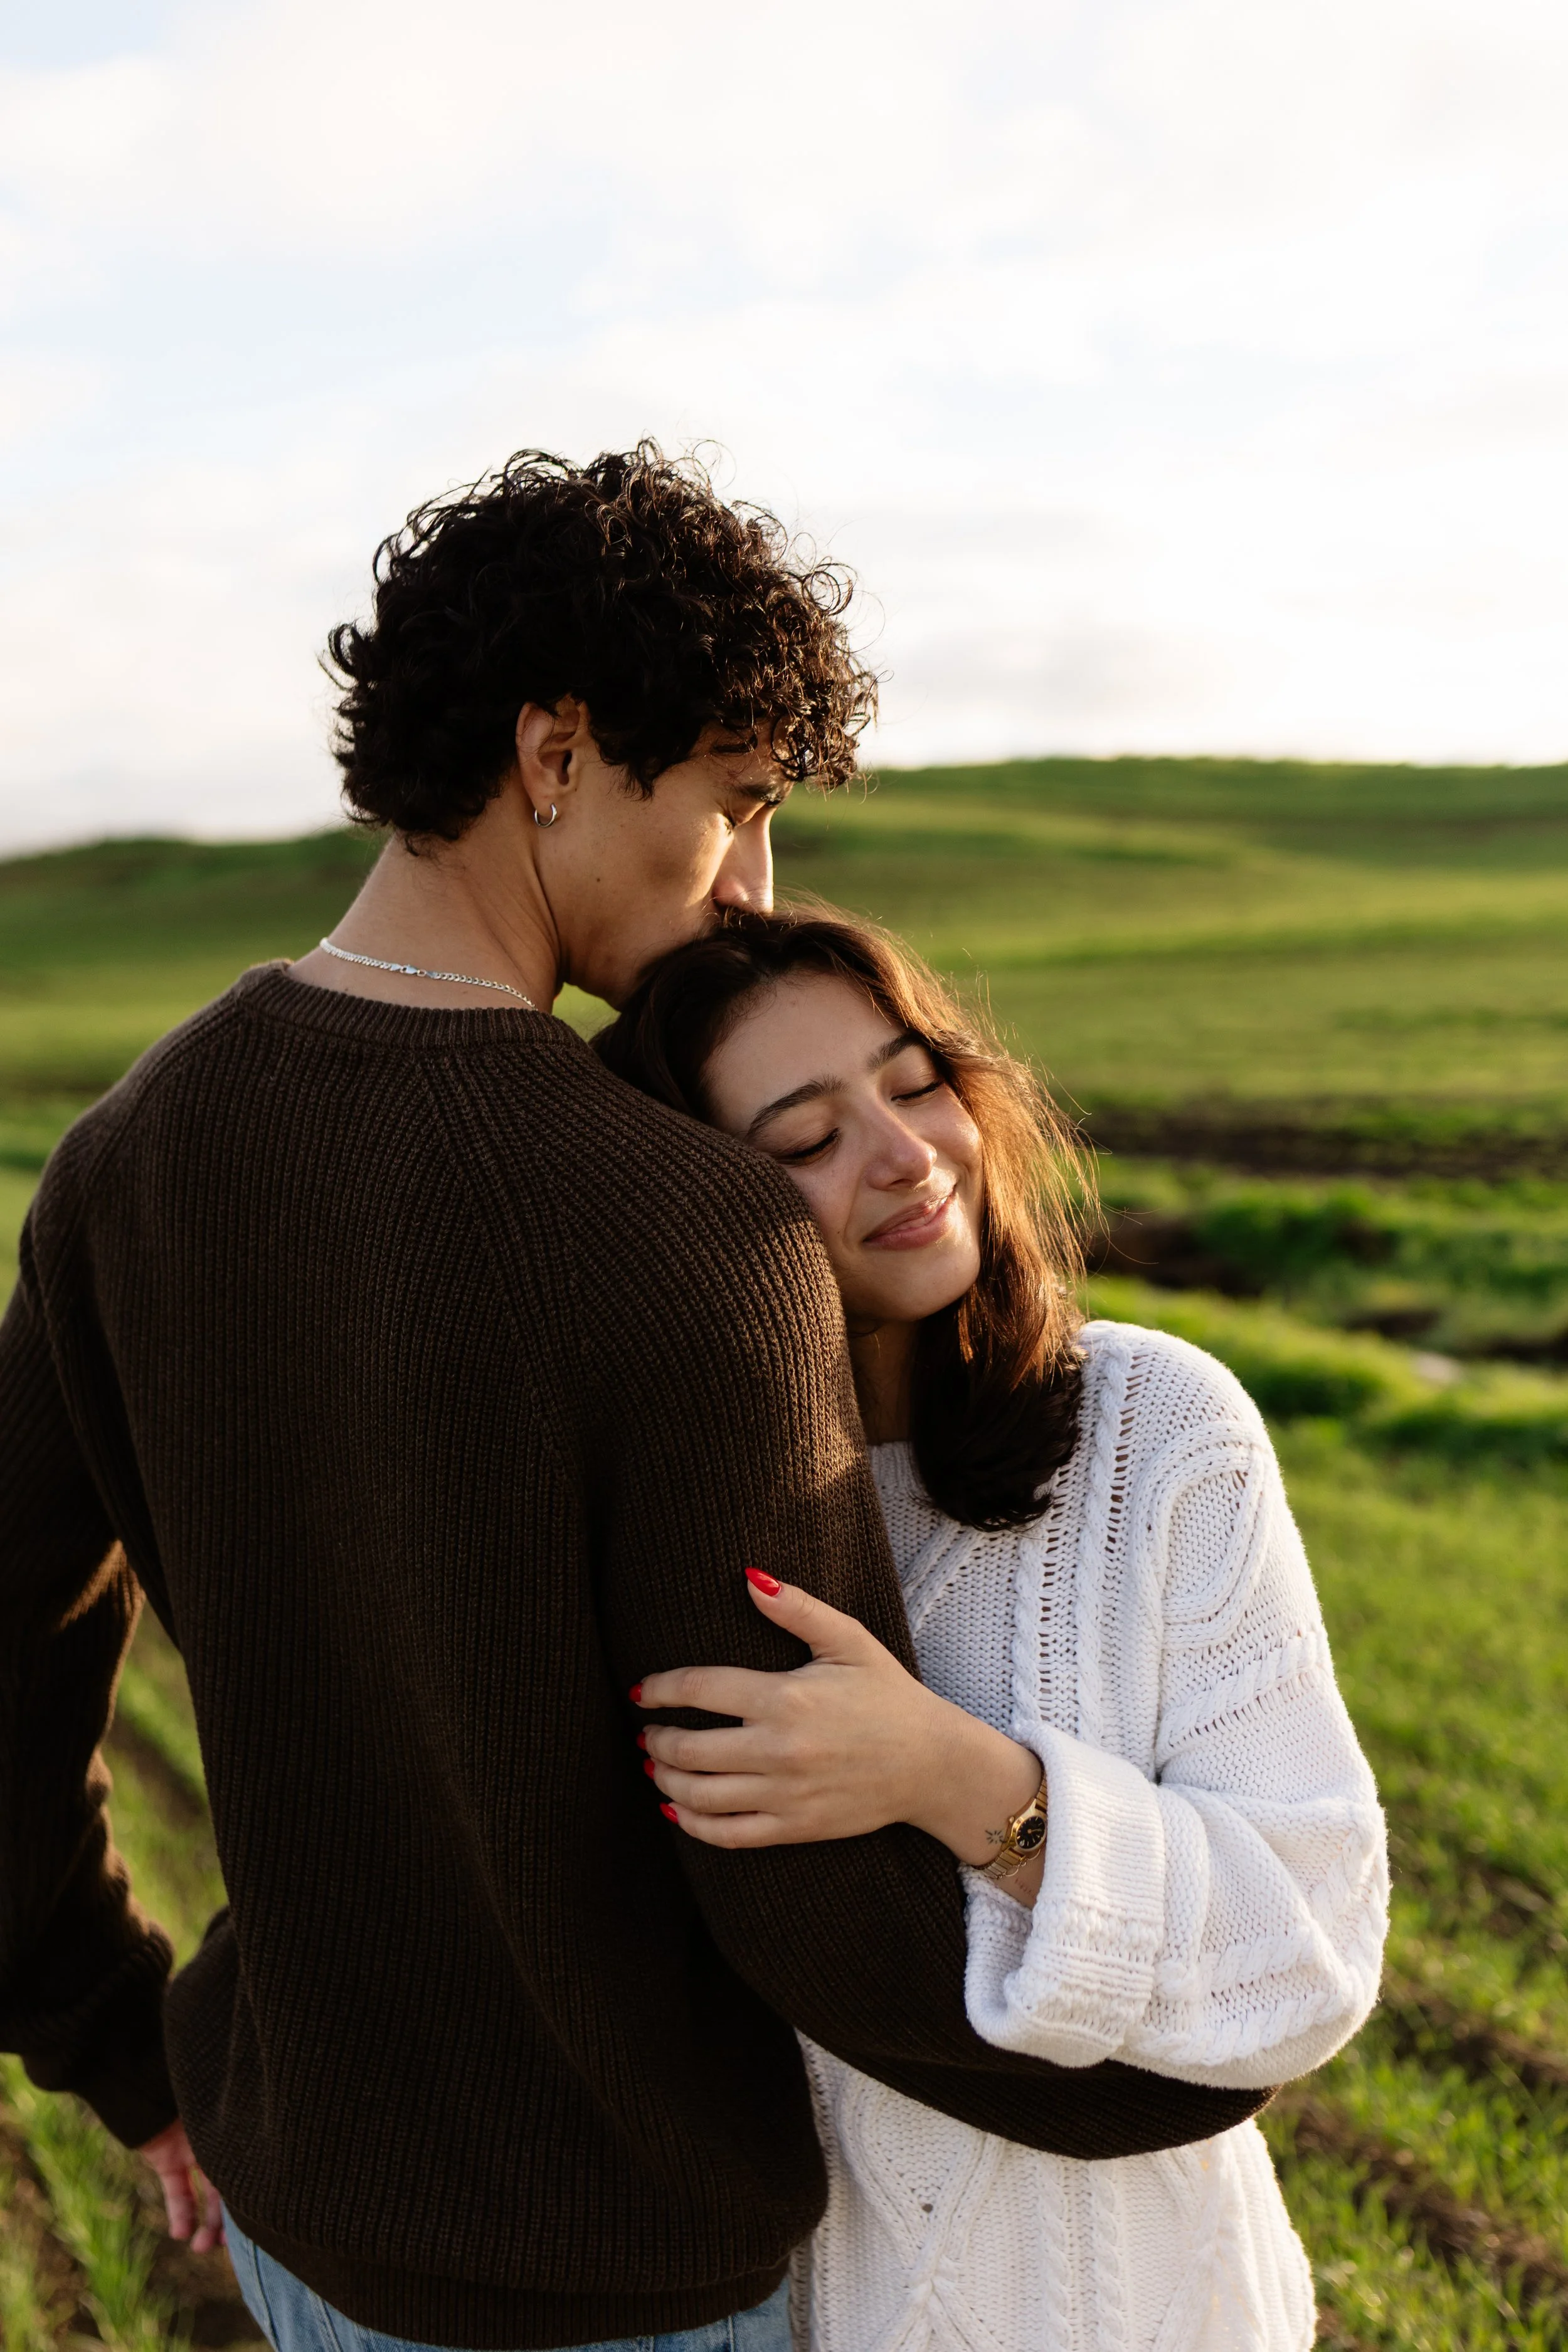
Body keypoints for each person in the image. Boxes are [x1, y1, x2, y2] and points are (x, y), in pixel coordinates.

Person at [0, 447, 1269, 2352]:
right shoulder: (684, 1228)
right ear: (553, 749)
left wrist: (121, 2039)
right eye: (737, 802)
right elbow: (788, 1855)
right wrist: (1181, 2060)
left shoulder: (124, 1151)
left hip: (299, 2215)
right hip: (611, 2278)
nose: (754, 882)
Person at [594, 906, 1389, 2352]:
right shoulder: (662, 1523)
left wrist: (957, 1782)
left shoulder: (1156, 1431)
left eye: (911, 1084)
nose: (904, 1156)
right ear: (695, 1208)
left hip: (1137, 2308)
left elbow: (1308, 1949)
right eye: (802, 1141)